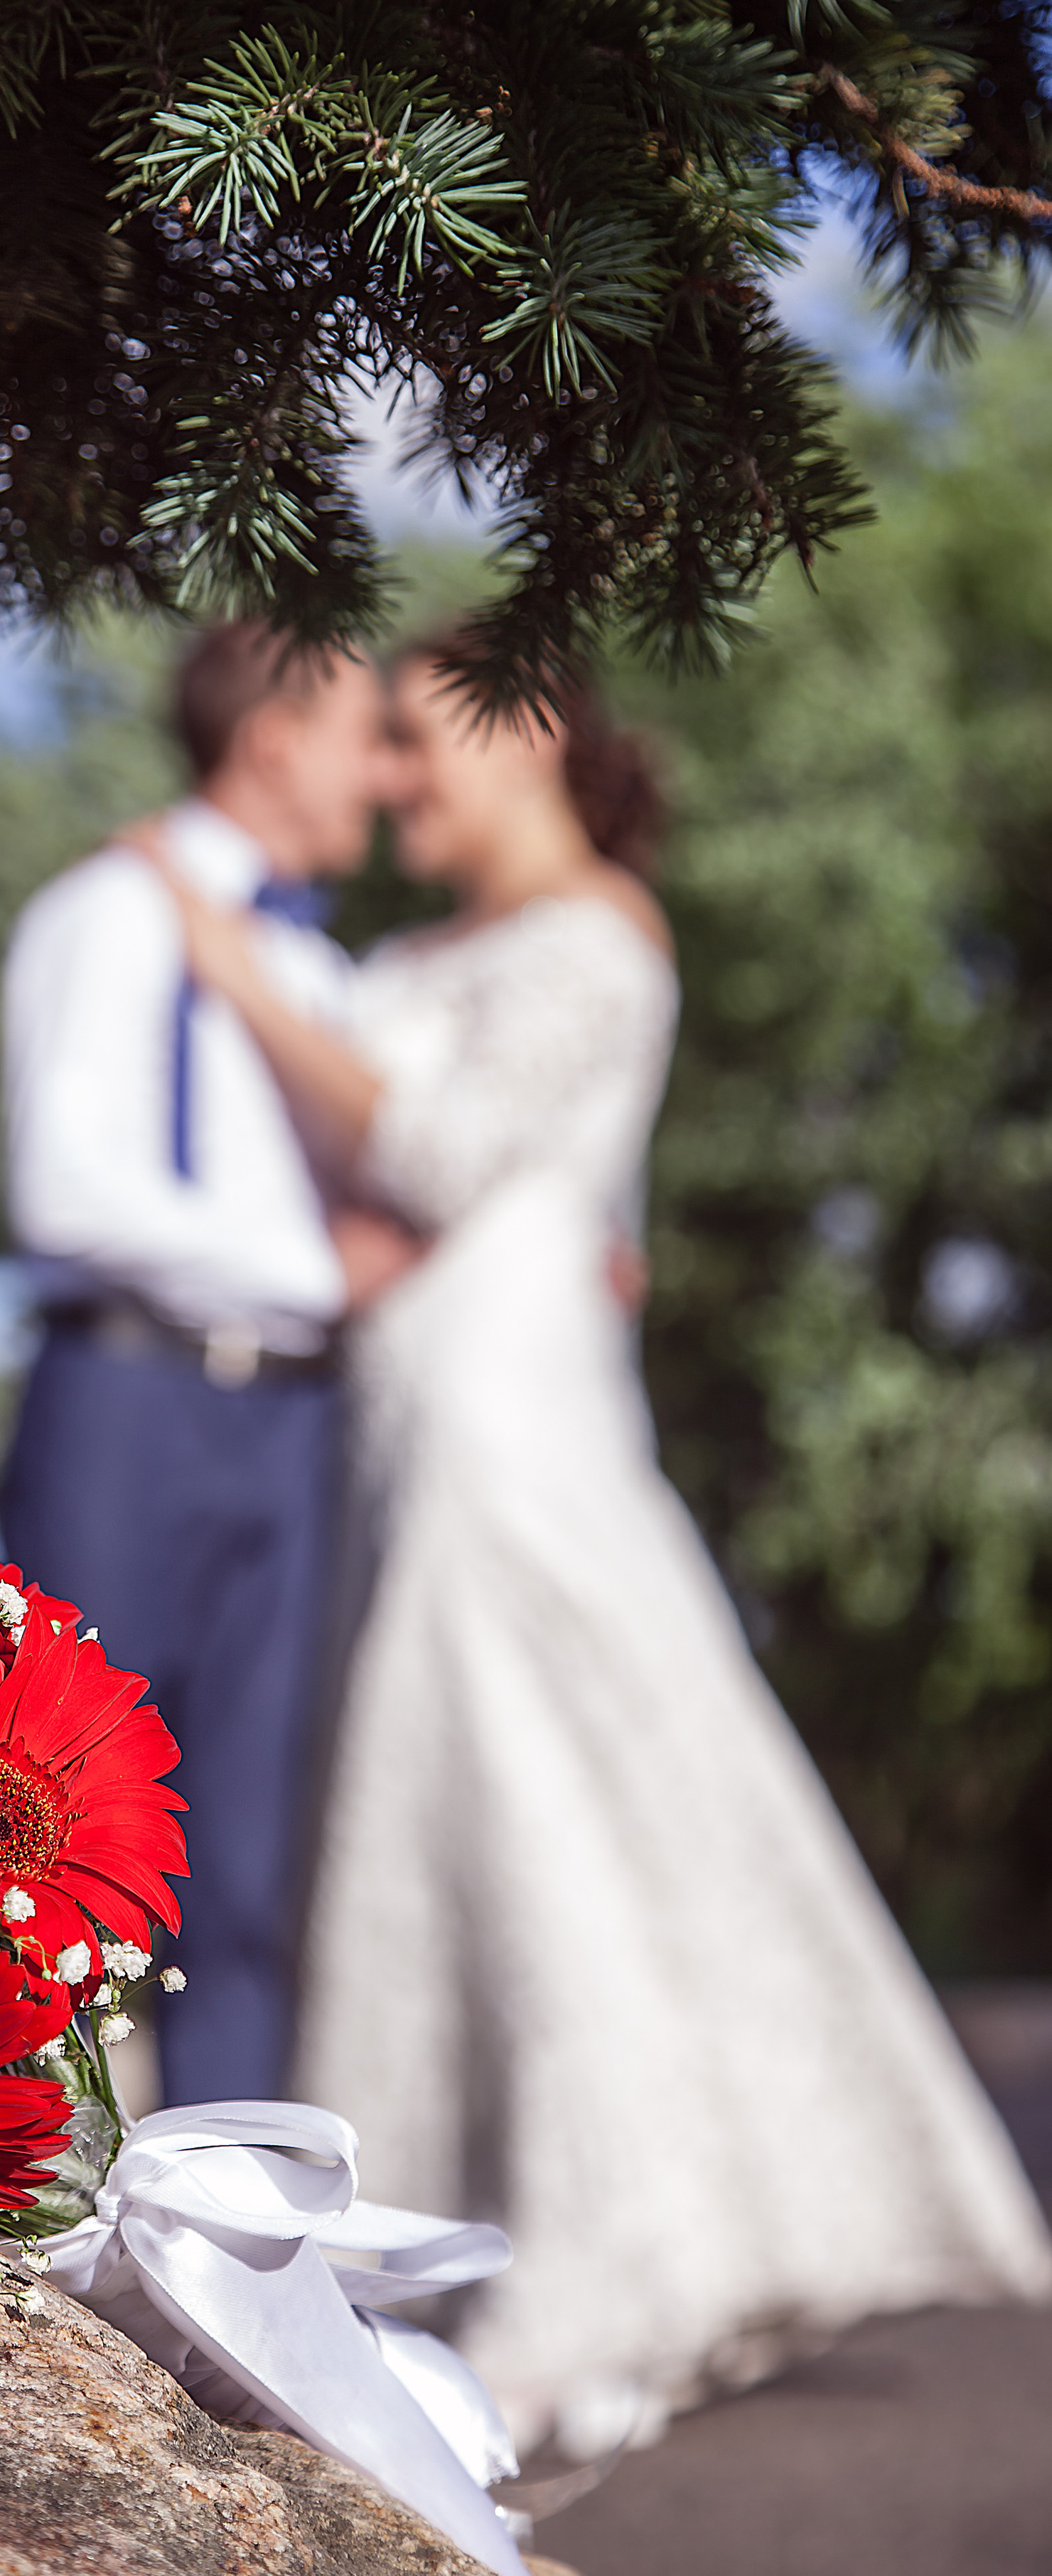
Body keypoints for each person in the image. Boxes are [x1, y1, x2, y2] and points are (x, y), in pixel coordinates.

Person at [146, 633, 1052, 2456]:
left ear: (528, 732)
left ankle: (581, 2269)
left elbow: (448, 1148)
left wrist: (230, 973)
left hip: (508, 1414)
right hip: (394, 1410)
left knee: (545, 1793)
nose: (393, 782)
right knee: (439, 1812)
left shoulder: (600, 937)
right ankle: (448, 2236)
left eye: (415, 743)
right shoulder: (399, 960)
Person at [0, 621, 407, 2105]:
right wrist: (320, 1282)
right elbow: (70, 1194)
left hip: (295, 1430)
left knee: (247, 1865)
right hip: (128, 1402)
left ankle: (228, 2258)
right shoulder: (103, 914)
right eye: (366, 728)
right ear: (274, 737)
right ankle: (32, 2251)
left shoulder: (312, 962)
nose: (385, 769)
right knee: (64, 1831)